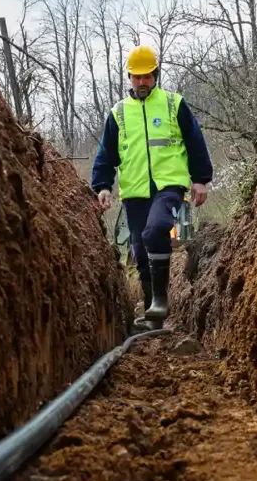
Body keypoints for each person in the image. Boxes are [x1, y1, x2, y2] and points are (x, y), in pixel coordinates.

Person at [91, 45, 213, 330]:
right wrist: (103, 186)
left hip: (169, 186)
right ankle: (152, 315)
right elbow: (106, 154)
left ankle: (161, 301)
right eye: (137, 77)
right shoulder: (119, 113)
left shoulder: (174, 104)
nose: (142, 82)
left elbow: (196, 143)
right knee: (141, 251)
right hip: (134, 193)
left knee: (156, 229)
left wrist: (200, 179)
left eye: (147, 76)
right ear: (129, 78)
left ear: (155, 75)